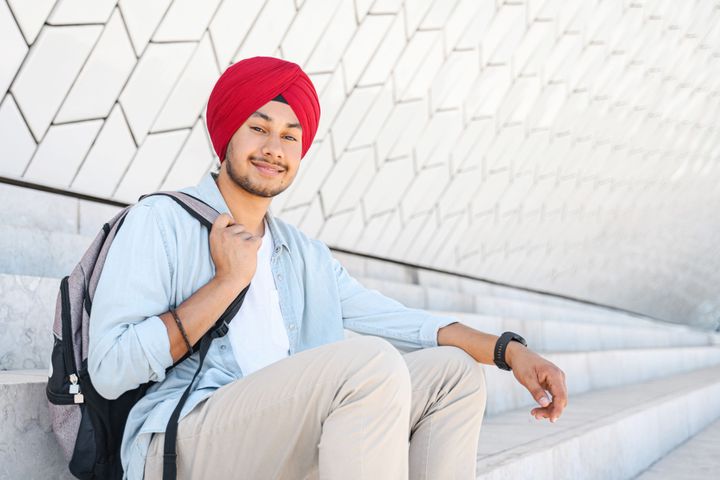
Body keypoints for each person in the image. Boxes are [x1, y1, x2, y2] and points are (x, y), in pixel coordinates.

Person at [88, 56, 567, 480]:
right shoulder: (160, 221)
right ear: (226, 132)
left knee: (454, 374)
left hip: (281, 436)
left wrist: (509, 351)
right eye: (258, 128)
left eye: (289, 136)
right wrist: (227, 282)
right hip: (183, 445)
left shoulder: (303, 255)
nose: (274, 148)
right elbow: (110, 369)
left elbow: (405, 323)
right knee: (369, 365)